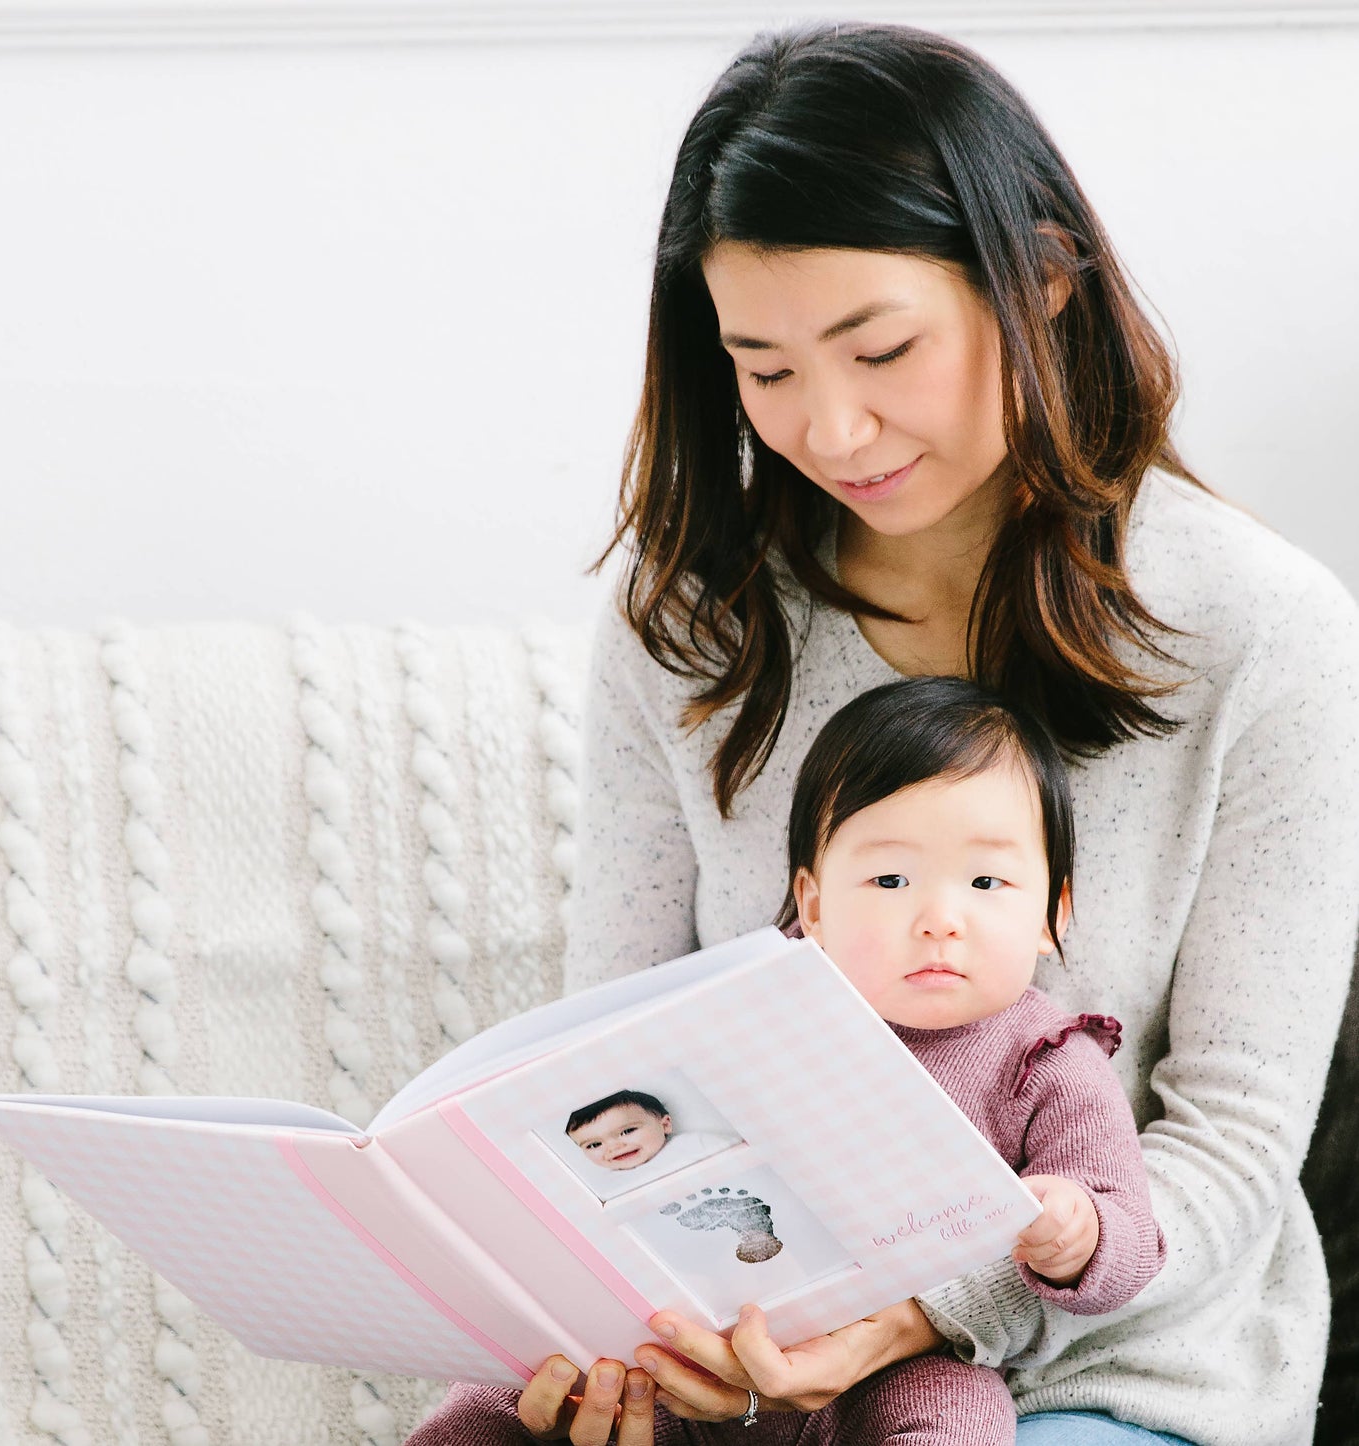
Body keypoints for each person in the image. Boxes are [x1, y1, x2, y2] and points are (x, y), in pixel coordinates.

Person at [409, 19, 1359, 1445]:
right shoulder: (691, 625)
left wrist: (924, 1315)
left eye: (880, 348)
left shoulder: (1263, 631)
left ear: (1039, 285)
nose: (833, 428)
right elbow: (606, 1064)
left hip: (1111, 1368)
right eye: (766, 368)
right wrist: (644, 1326)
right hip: (733, 1345)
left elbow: (1224, 1139)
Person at [778, 675, 1165, 1443]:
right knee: (494, 1406)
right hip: (713, 1344)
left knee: (963, 1421)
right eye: (889, 880)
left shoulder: (1047, 1061)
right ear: (814, 906)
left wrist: (1078, 1234)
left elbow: (1133, 1239)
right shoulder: (769, 1018)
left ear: (1050, 916)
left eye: (986, 882)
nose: (938, 921)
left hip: (911, 1363)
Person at [564, 1089, 739, 1200]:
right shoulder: (605, 1189)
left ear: (665, 1124)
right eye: (594, 1145)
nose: (614, 1147)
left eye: (627, 1131)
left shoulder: (694, 1143)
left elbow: (744, 1156)